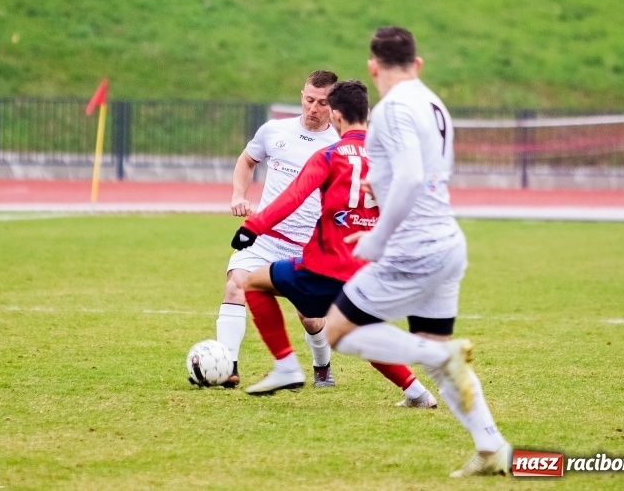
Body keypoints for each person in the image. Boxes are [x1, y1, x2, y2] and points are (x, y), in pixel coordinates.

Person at [322, 27, 512, 477]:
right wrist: (378, 183)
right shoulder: (433, 102)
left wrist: (378, 238)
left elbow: (409, 179)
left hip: (412, 249)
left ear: (373, 66)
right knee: (438, 350)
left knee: (335, 332)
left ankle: (439, 359)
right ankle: (492, 447)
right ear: (418, 64)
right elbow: (422, 174)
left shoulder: (391, 109)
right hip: (447, 243)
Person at [230, 79, 437, 407]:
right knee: (357, 332)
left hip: (323, 266)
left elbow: (294, 196)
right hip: (364, 269)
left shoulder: (328, 154)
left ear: (336, 116)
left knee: (252, 283)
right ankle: (418, 393)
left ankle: (286, 366)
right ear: (367, 113)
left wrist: (253, 227)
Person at [215, 70, 341, 388]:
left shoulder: (339, 144)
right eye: (309, 99)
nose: (314, 108)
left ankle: (321, 366)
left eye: (323, 103)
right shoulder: (274, 131)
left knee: (311, 319)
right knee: (236, 286)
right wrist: (238, 195)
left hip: (308, 245)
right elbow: (246, 161)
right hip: (266, 238)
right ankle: (227, 367)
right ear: (301, 95)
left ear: (334, 106)